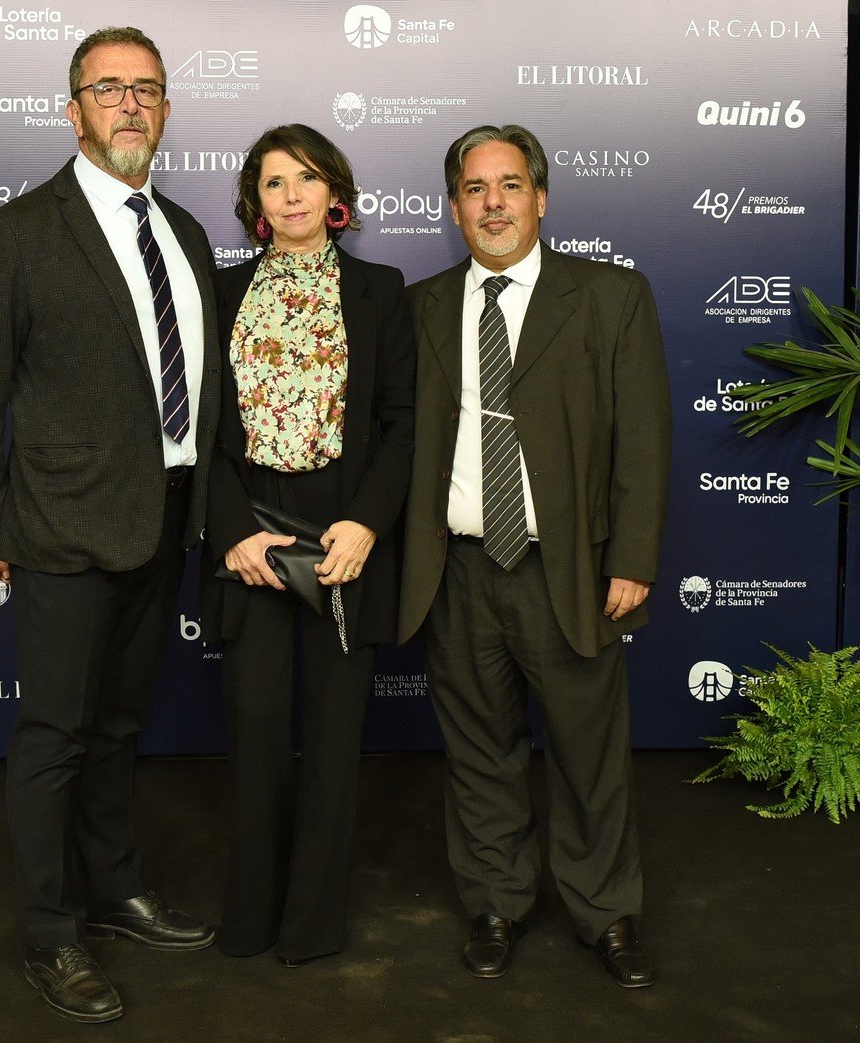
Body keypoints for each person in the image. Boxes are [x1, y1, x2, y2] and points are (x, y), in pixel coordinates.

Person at [0, 26, 219, 1025]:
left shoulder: (182, 231)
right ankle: (53, 934)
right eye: (108, 90)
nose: (130, 105)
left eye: (146, 89)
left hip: (165, 522)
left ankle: (118, 888)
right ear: (73, 111)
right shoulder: (19, 232)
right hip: (58, 528)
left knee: (118, 725)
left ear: (166, 109)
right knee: (54, 734)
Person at [398, 124, 671, 986]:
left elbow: (644, 440)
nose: (492, 204)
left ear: (540, 198)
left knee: (589, 752)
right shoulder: (422, 306)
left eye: (508, 186)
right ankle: (494, 901)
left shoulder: (610, 296)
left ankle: (605, 912)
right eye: (474, 190)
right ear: (453, 208)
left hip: (569, 569)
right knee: (480, 751)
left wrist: (631, 557)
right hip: (459, 568)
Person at [204, 124, 415, 967]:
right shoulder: (218, 292)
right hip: (251, 521)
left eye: (306, 179)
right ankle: (249, 917)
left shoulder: (379, 288)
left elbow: (401, 423)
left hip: (342, 530)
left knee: (332, 738)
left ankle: (313, 924)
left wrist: (365, 521)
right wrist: (230, 534)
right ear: (254, 204)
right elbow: (197, 430)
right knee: (256, 732)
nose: (290, 195)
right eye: (272, 182)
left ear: (337, 196)